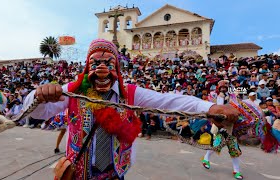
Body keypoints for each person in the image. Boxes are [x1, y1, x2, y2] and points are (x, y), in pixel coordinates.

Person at [23, 39, 239, 180]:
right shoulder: (73, 89)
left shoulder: (131, 93)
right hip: (78, 173)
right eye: (95, 62)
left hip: (115, 173)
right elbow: (37, 113)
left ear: (117, 65)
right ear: (87, 66)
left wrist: (210, 106)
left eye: (108, 62)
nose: (102, 67)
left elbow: (168, 101)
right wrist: (39, 94)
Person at [202, 80, 244, 180]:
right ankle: (206, 159)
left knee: (234, 149)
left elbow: (238, 109)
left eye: (225, 87)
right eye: (222, 87)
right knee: (216, 145)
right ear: (219, 88)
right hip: (219, 125)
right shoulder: (216, 97)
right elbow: (216, 111)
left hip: (231, 126)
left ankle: (236, 171)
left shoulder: (233, 97)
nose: (224, 89)